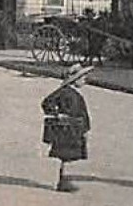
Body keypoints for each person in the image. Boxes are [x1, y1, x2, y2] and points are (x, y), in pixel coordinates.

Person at [40, 63, 96, 192]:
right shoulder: (64, 92)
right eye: (83, 78)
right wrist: (57, 114)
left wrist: (86, 128)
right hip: (67, 128)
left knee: (71, 155)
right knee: (66, 154)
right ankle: (63, 180)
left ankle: (64, 180)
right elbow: (47, 102)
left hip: (75, 128)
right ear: (75, 80)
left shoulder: (75, 94)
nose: (85, 81)